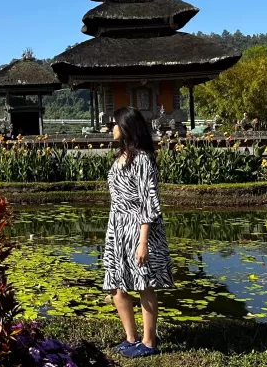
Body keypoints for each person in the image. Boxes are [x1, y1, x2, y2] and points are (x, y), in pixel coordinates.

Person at [104, 106, 174, 358]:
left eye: (114, 124)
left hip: (139, 228)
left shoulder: (142, 159)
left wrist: (143, 241)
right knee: (115, 283)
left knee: (145, 283)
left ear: (125, 127)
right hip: (117, 227)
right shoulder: (121, 156)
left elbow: (149, 201)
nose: (110, 129)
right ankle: (131, 337)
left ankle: (148, 342)